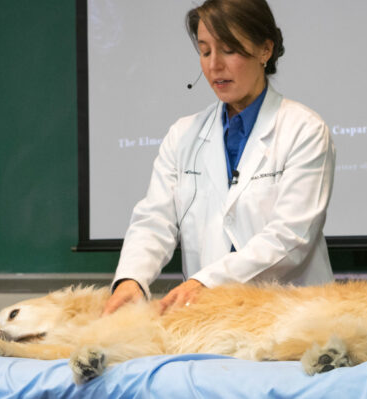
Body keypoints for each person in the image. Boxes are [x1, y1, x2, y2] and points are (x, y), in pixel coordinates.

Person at [103, 0, 336, 316]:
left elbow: (291, 237)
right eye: (205, 51)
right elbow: (154, 220)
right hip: (208, 322)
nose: (214, 66)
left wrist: (208, 282)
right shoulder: (183, 134)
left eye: (229, 50)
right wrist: (131, 280)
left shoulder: (303, 130)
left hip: (293, 319)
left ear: (265, 50)